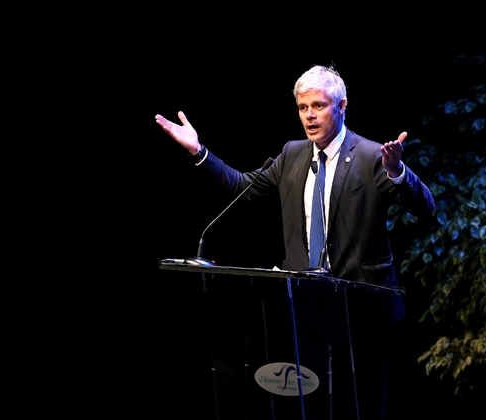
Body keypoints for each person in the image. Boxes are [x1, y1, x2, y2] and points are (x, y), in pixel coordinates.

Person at [155, 64, 435, 419]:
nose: (309, 116)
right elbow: (243, 188)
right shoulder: (293, 154)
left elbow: (424, 208)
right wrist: (199, 152)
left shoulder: (370, 156)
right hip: (305, 309)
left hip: (363, 312)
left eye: (318, 106)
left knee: (360, 408)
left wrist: (397, 172)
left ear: (342, 106)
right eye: (303, 108)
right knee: (310, 407)